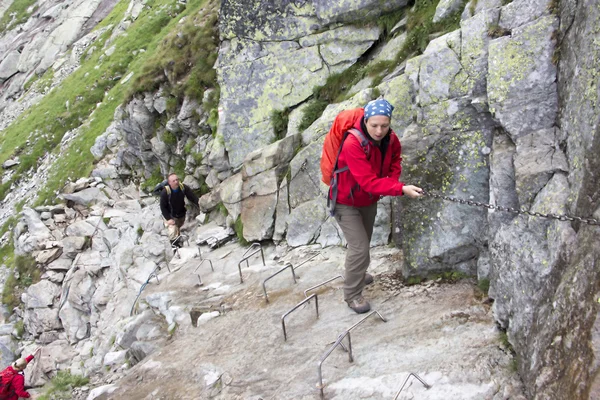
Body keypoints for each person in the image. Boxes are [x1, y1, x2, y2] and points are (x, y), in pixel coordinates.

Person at [331, 99, 423, 314]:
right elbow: (368, 181)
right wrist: (399, 188)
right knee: (359, 247)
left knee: (364, 242)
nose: (379, 131)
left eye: (384, 125)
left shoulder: (391, 139)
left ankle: (358, 273)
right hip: (345, 201)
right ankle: (352, 294)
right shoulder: (352, 143)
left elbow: (395, 161)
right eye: (374, 125)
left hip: (367, 199)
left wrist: (392, 180)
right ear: (366, 120)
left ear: (389, 123)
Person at [159, 173, 199, 245]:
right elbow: (163, 207)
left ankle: (184, 243)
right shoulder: (165, 192)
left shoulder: (183, 187)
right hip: (170, 215)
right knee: (172, 232)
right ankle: (175, 248)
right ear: (169, 183)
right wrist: (169, 219)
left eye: (177, 180)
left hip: (182, 213)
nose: (176, 182)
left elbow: (192, 197)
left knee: (182, 229)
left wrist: (200, 205)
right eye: (173, 181)